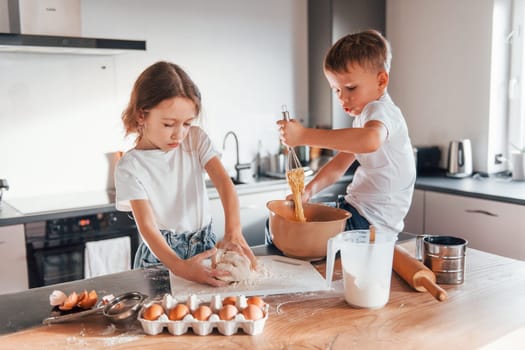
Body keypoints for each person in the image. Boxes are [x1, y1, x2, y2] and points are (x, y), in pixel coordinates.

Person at [115, 61, 256, 286]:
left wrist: (234, 230)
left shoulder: (195, 139)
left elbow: (223, 183)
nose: (179, 134)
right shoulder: (130, 166)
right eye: (169, 124)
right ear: (142, 115)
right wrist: (181, 268)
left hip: (205, 247)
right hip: (162, 258)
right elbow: (148, 228)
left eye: (187, 123)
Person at [277, 30, 416, 235]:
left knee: (288, 231)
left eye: (350, 88)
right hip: (357, 212)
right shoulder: (365, 119)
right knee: (289, 226)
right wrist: (308, 191)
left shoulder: (381, 111)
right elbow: (338, 166)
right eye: (337, 90)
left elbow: (370, 140)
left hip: (370, 224)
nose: (343, 98)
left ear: (381, 81)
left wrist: (304, 136)